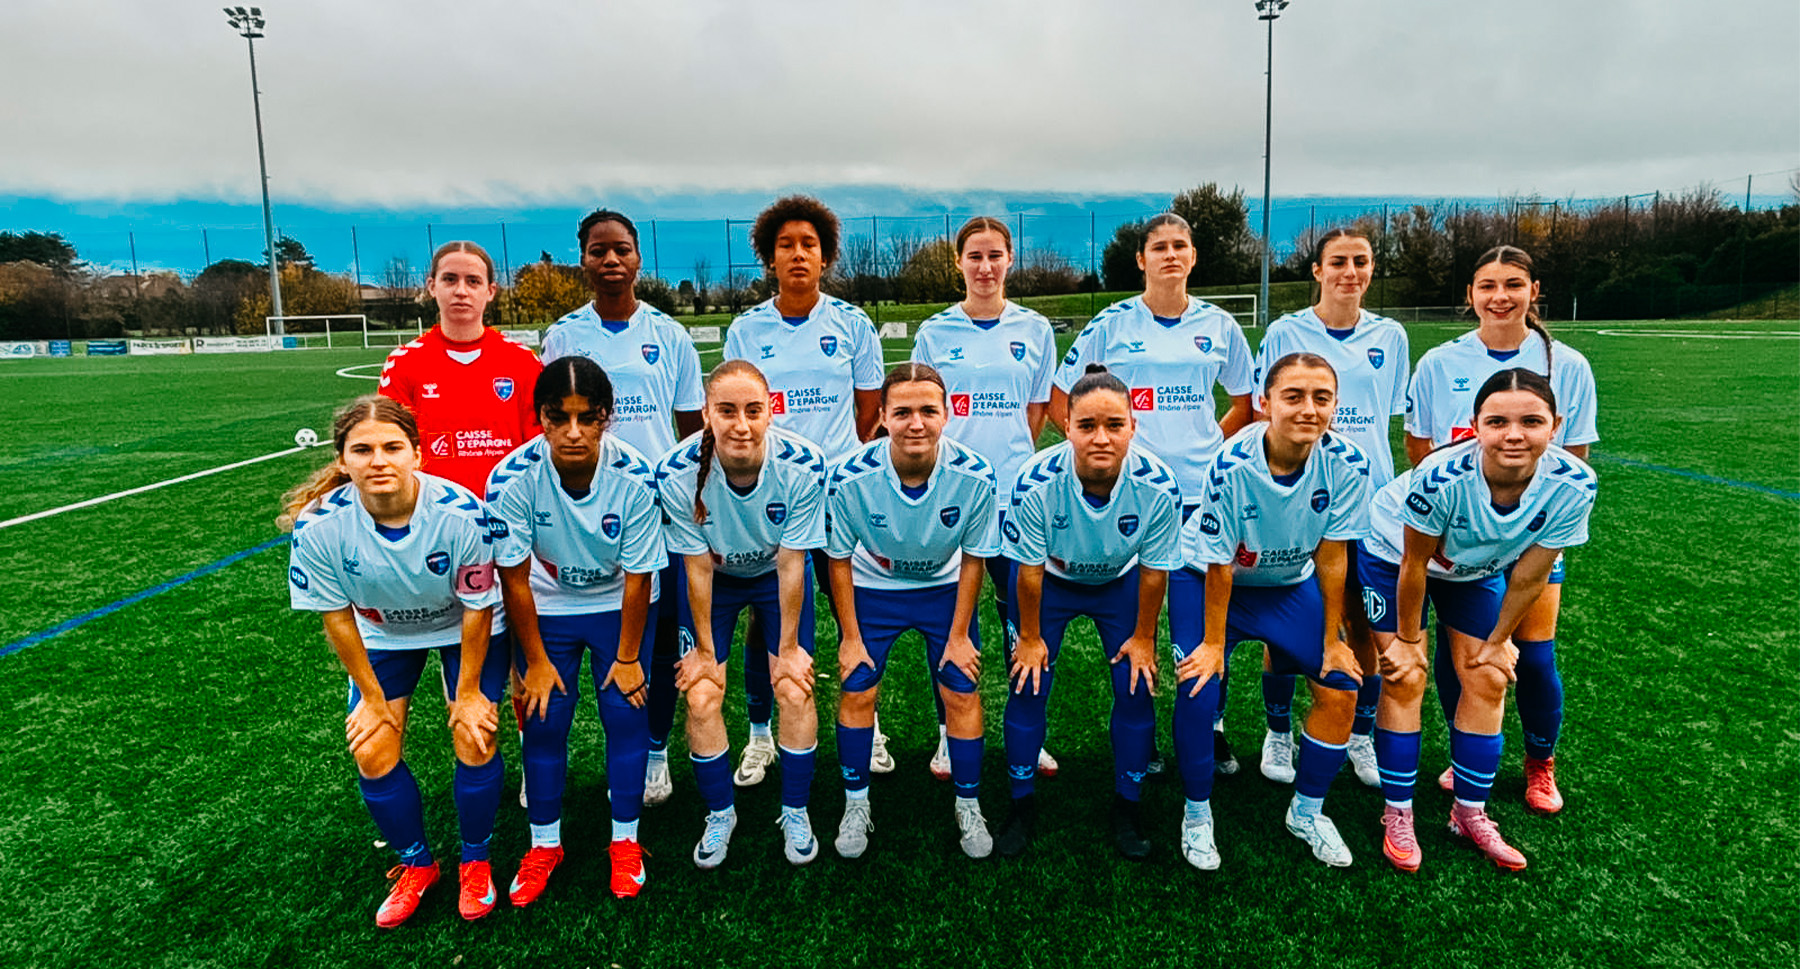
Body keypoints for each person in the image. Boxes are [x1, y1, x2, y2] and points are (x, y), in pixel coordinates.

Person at [281, 395, 508, 927]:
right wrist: (372, 698)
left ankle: (475, 861)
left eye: (392, 447)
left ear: (417, 455)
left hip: (462, 626)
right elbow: (337, 618)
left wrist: (468, 694)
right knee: (372, 748)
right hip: (382, 633)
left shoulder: (461, 513)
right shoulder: (317, 526)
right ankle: (417, 864)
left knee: (475, 736)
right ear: (342, 460)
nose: (378, 460)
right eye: (362, 450)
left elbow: (478, 607)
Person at [1360, 368, 1597, 872]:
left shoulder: (1575, 485)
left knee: (1489, 676)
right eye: (1498, 422)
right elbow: (1414, 564)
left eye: (1531, 421)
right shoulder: (1440, 477)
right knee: (1406, 676)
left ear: (1555, 426)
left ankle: (1469, 812)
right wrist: (1407, 640)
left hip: (1475, 569)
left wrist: (1499, 639)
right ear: (1476, 426)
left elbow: (1531, 574)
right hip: (1392, 558)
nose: (1514, 435)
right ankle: (1398, 813)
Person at [1050, 213, 1254, 775]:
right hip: (1130, 493)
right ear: (1141, 259)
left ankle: (1209, 725)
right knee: (1134, 614)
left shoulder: (1220, 325)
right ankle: (1139, 731)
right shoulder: (1111, 324)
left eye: (1180, 246)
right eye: (1159, 247)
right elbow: (1061, 396)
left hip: (1199, 491)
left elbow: (1246, 402)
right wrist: (1101, 455)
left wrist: (1209, 445)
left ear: (1193, 256)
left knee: (1205, 617)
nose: (1170, 255)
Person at [1405, 245, 1597, 815]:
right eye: (1487, 286)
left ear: (1533, 291)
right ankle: (1464, 749)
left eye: (1513, 284)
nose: (1500, 297)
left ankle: (1540, 762)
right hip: (1463, 531)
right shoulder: (1440, 362)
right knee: (1461, 652)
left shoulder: (1569, 365)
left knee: (1532, 655)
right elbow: (1421, 448)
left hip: (1532, 532)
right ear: (1470, 295)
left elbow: (1575, 457)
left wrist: (1536, 524)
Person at [1169, 353, 1372, 871]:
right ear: (1265, 403)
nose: (1308, 409)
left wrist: (1333, 639)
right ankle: (1197, 813)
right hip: (1207, 580)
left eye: (1321, 398)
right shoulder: (1232, 464)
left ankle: (1307, 811)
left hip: (1285, 584)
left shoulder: (1349, 463)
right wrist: (1213, 646)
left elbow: (1333, 555)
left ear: (1336, 405)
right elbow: (1220, 566)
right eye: (1293, 396)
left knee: (1341, 684)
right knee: (1198, 689)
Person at [721, 195, 889, 784]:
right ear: (769, 258)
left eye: (809, 245)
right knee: (765, 617)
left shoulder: (852, 324)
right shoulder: (747, 328)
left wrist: (836, 463)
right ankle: (760, 734)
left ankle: (867, 725)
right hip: (769, 495)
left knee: (852, 614)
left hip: (838, 493)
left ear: (825, 257)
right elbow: (737, 408)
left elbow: (869, 412)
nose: (798, 254)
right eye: (786, 245)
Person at [485, 357, 665, 902]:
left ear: (606, 417)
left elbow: (639, 576)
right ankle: (544, 845)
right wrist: (535, 661)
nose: (572, 432)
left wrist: (628, 658)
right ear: (539, 417)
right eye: (558, 417)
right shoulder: (510, 478)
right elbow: (514, 579)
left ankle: (625, 840)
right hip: (548, 603)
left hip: (618, 602)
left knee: (625, 714)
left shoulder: (636, 476)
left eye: (587, 418)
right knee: (543, 721)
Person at [542, 209, 704, 810]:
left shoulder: (670, 334)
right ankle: (545, 756)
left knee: (659, 639)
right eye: (598, 250)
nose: (611, 260)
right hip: (582, 510)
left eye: (622, 249)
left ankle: (655, 750)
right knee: (570, 628)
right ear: (583, 259)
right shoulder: (563, 336)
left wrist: (695, 496)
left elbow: (691, 429)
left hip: (656, 509)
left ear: (638, 258)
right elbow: (550, 422)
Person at [998, 365, 1182, 860]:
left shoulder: (1159, 485)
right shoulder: (1034, 481)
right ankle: (1020, 803)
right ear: (1067, 427)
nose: (1101, 438)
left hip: (1119, 584)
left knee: (1136, 686)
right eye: (1087, 425)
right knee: (1027, 683)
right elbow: (1028, 572)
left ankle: (1128, 805)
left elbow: (1154, 572)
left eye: (1114, 425)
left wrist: (1144, 638)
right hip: (1049, 584)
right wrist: (1030, 638)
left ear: (1133, 426)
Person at [1252, 229, 1410, 790]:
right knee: (1287, 623)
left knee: (1364, 624)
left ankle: (1361, 735)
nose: (1350, 271)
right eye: (1338, 261)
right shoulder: (1285, 332)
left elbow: (1391, 416)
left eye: (1360, 261)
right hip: (1299, 496)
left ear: (1371, 269)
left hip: (1368, 499)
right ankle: (1278, 731)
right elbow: (1263, 413)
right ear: (1317, 271)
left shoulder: (1390, 335)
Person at [655, 359, 829, 867]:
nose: (741, 425)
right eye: (727, 411)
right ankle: (720, 814)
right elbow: (696, 569)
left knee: (793, 686)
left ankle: (795, 810)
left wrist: (790, 649)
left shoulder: (804, 464)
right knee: (702, 692)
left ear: (771, 411)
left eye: (753, 410)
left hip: (775, 575)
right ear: (706, 414)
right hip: (716, 578)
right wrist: (705, 652)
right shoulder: (675, 472)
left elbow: (792, 563)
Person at [825, 363, 1000, 859]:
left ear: (947, 415)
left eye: (928, 410)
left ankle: (969, 804)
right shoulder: (850, 477)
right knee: (858, 688)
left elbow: (974, 559)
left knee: (961, 690)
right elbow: (838, 560)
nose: (916, 423)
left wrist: (960, 635)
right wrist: (850, 636)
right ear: (882, 416)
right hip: (874, 587)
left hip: (943, 589)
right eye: (902, 412)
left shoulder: (975, 475)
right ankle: (855, 804)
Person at [909, 215, 1060, 783]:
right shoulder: (934, 332)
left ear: (1010, 260)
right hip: (953, 496)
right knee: (954, 622)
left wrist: (1010, 460)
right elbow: (923, 410)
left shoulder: (1035, 329)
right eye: (975, 255)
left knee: (1023, 620)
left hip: (1015, 497)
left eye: (995, 255)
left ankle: (1029, 732)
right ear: (959, 263)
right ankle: (949, 732)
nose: (985, 266)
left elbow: (1036, 411)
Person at [378, 241, 543, 496]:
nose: (461, 291)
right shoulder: (403, 362)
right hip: (432, 509)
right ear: (432, 286)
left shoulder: (523, 361)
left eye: (473, 281)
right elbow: (389, 445)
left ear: (490, 291)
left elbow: (538, 447)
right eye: (450, 279)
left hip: (508, 507)